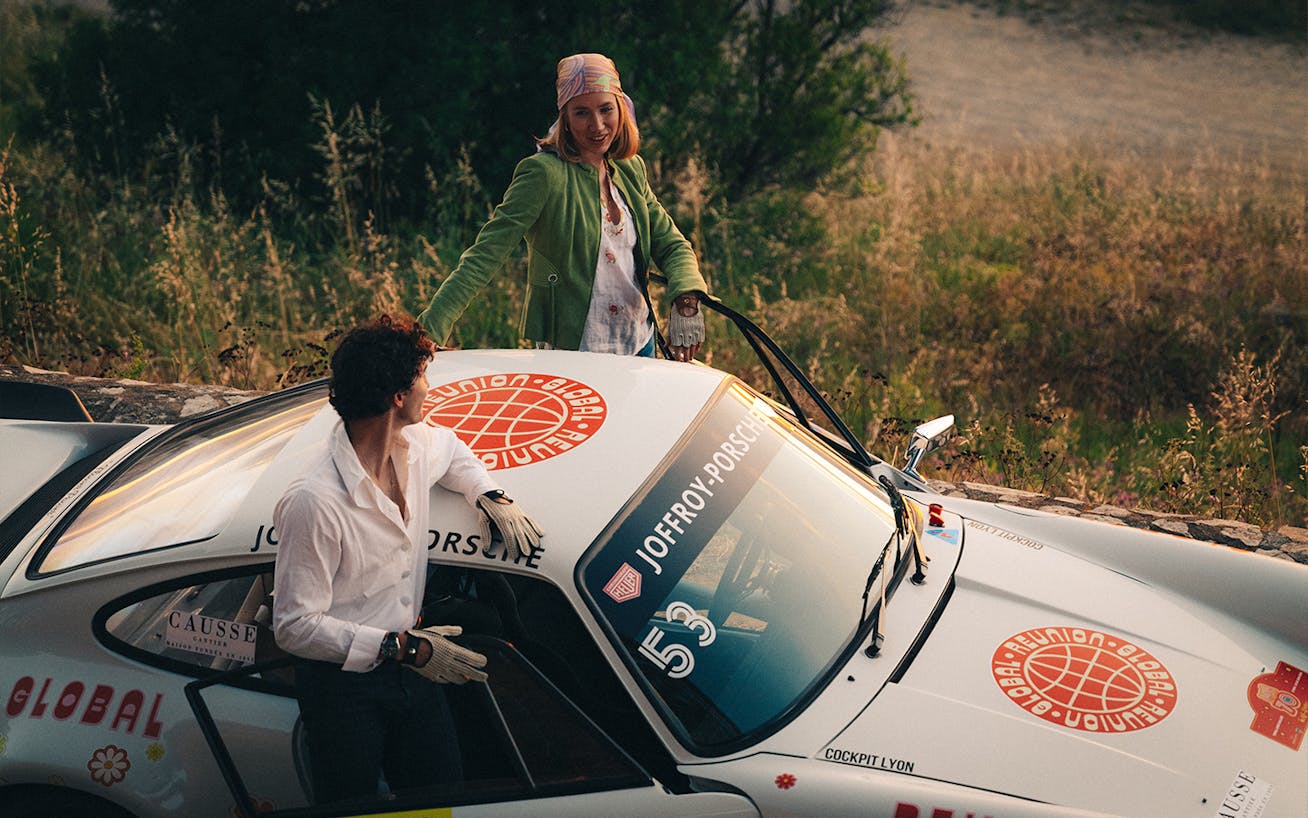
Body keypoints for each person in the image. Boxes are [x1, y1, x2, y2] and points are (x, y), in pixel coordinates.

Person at [272, 313, 543, 804]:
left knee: (441, 799)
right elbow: (293, 625)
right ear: (397, 397)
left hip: (415, 662)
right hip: (343, 688)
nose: (428, 388)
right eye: (422, 377)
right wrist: (400, 647)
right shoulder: (315, 502)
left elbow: (456, 450)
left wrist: (488, 494)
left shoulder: (416, 445)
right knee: (353, 808)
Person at [418, 52, 708, 361]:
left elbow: (672, 244)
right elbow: (484, 256)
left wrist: (686, 302)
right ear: (565, 118)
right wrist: (427, 334)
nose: (597, 125)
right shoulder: (543, 174)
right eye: (581, 113)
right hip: (575, 355)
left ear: (621, 109)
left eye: (606, 109)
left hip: (640, 344)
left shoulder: (628, 168)